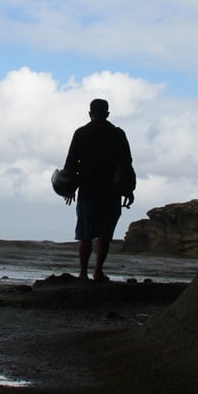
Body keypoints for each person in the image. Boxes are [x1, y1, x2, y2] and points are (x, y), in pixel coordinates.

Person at [62, 98, 135, 281]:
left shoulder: (81, 133)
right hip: (111, 192)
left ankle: (82, 273)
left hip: (87, 190)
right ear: (107, 113)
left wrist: (69, 188)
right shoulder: (117, 134)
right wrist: (128, 188)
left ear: (90, 113)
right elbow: (126, 162)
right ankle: (98, 271)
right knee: (104, 234)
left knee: (85, 235)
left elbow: (70, 162)